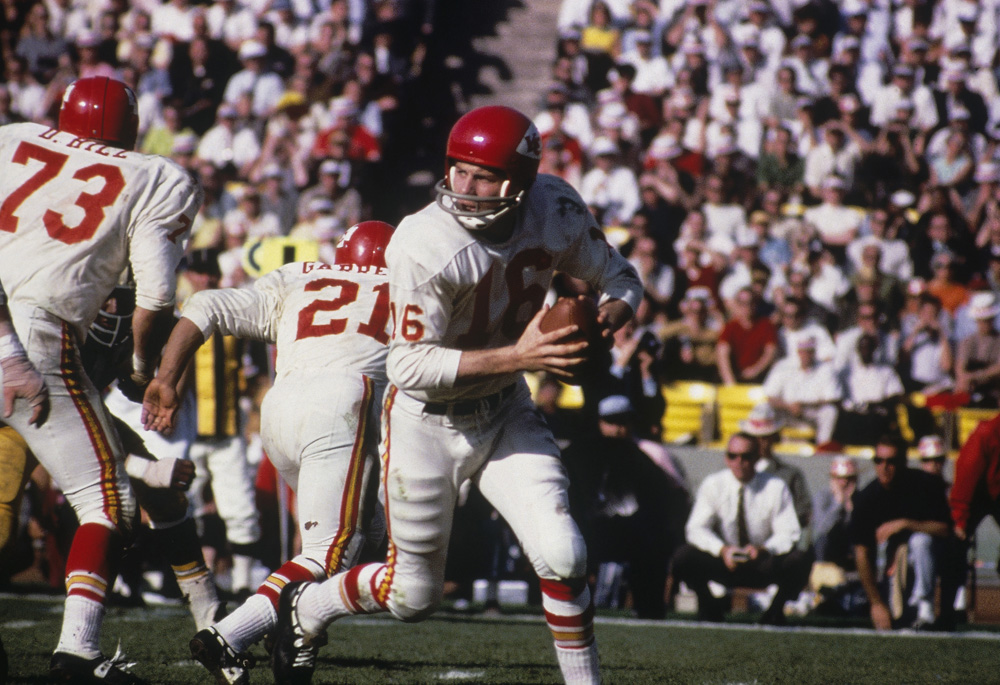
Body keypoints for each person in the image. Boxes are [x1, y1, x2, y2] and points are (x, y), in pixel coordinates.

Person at [269, 105, 642, 685]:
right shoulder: (424, 240)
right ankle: (308, 607)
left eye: (483, 176)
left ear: (519, 182)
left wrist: (602, 324)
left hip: (503, 412)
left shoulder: (556, 208)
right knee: (412, 596)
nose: (465, 188)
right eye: (459, 171)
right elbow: (409, 364)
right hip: (424, 422)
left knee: (564, 553)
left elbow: (623, 280)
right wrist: (523, 355)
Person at [0, 75, 201, 681]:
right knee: (108, 500)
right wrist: (143, 368)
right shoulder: (155, 176)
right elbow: (157, 296)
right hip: (36, 329)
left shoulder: (12, 137)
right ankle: (78, 655)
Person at [143, 221, 394, 684]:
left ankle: (292, 622)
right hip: (343, 406)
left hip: (281, 408)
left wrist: (167, 376)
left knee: (369, 533)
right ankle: (231, 635)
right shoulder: (404, 287)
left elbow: (206, 306)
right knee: (332, 550)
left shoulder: (301, 276)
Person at [563, 395, 689, 620]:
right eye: (611, 422)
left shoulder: (652, 453)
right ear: (600, 422)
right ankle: (565, 607)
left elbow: (674, 496)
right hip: (589, 530)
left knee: (652, 547)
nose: (618, 428)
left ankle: (649, 611)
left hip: (637, 533)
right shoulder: (580, 452)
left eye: (623, 421)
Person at [670, 432, 811, 625]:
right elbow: (696, 529)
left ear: (757, 458)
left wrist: (763, 550)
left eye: (746, 456)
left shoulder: (775, 486)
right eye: (732, 456)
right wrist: (722, 550)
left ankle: (774, 612)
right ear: (726, 458)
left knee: (800, 559)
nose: (739, 462)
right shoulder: (714, 484)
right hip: (724, 561)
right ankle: (709, 606)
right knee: (683, 557)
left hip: (761, 562)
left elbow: (789, 532)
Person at [850, 435, 960, 631]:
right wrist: (875, 603)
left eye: (891, 461)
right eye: (879, 460)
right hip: (897, 562)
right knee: (897, 621)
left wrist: (906, 524)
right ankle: (911, 607)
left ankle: (928, 605)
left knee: (921, 541)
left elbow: (946, 529)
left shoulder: (925, 485)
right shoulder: (867, 499)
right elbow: (862, 552)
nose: (884, 467)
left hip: (935, 556)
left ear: (903, 462)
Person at [740, 403, 812, 530]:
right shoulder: (736, 471)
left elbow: (804, 511)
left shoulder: (791, 475)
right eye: (755, 438)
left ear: (773, 438)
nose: (760, 443)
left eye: (764, 437)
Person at [762, 337, 842, 447]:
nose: (805, 355)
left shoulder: (826, 369)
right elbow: (771, 397)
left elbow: (832, 399)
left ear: (814, 352)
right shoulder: (783, 366)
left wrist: (802, 405)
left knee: (830, 411)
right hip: (786, 411)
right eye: (802, 351)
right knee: (765, 407)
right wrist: (788, 406)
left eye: (809, 351)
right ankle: (767, 445)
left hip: (811, 411)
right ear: (798, 352)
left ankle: (822, 446)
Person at [813, 456, 858, 571]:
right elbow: (821, 528)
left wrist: (850, 509)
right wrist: (838, 504)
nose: (844, 483)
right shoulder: (823, 496)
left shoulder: (860, 498)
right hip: (828, 551)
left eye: (849, 478)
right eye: (839, 478)